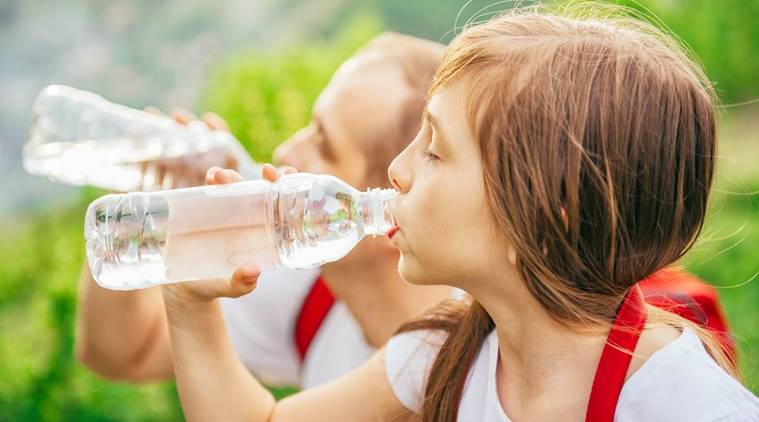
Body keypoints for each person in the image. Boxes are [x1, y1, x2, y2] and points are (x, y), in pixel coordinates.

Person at [158, 6, 759, 421]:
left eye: (435, 149)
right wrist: (189, 303)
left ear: (547, 214)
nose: (396, 169)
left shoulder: (683, 404)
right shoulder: (450, 352)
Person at [75, 32, 453, 385]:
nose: (285, 152)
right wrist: (144, 197)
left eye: (323, 145)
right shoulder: (312, 293)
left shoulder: (453, 371)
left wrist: (191, 295)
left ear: (393, 211)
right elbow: (121, 354)